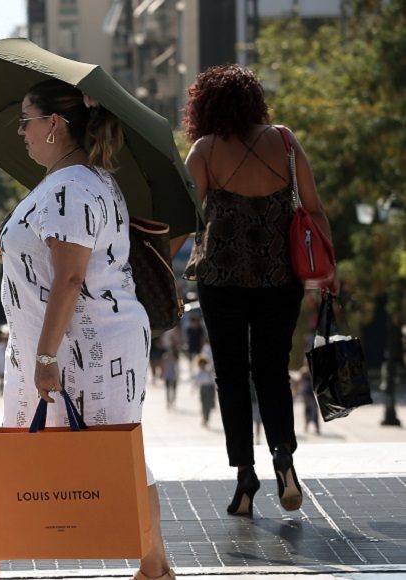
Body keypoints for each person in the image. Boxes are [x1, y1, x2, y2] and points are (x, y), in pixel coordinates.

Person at [0, 79, 174, 580]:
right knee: (55, 446)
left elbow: (71, 276)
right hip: (56, 344)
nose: (21, 131)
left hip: (82, 348)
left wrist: (47, 358)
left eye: (27, 120)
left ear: (55, 124)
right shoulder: (74, 182)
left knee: (108, 449)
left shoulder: (72, 187)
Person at [178, 64, 337, 517]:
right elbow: (314, 208)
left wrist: (145, 264)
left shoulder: (205, 150)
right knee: (271, 372)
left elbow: (184, 219)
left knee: (230, 375)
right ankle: (284, 459)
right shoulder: (285, 140)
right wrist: (329, 273)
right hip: (279, 279)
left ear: (205, 106)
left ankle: (245, 476)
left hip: (221, 281)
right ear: (255, 102)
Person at [194, 355, 216, 427]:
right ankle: (204, 416)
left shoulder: (209, 371)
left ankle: (207, 418)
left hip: (210, 388)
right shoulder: (199, 372)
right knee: (203, 404)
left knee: (209, 404)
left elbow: (213, 380)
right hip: (203, 388)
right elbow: (196, 381)